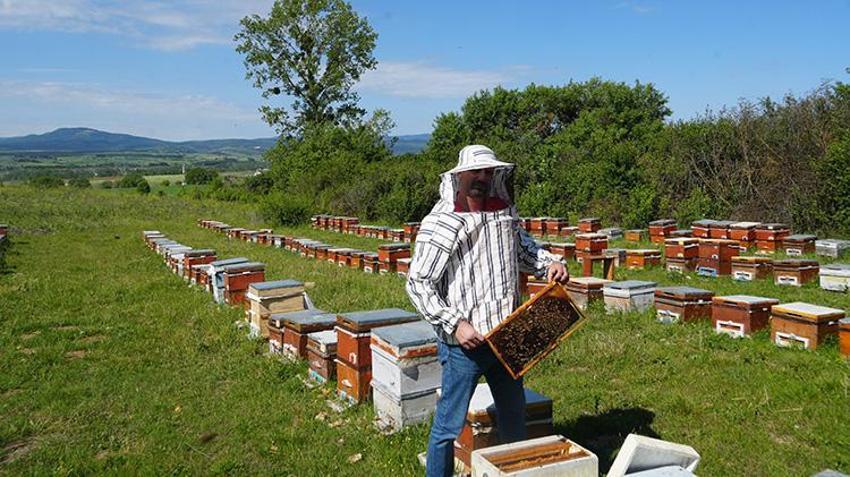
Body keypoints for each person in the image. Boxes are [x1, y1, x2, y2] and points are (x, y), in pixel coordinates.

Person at [406, 145, 569, 477]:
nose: (481, 178)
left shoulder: (503, 214)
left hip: (507, 338)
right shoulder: (442, 222)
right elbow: (418, 283)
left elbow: (525, 250)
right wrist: (456, 324)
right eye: (475, 172)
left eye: (487, 172)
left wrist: (550, 264)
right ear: (459, 177)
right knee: (448, 428)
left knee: (514, 422)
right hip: (465, 345)